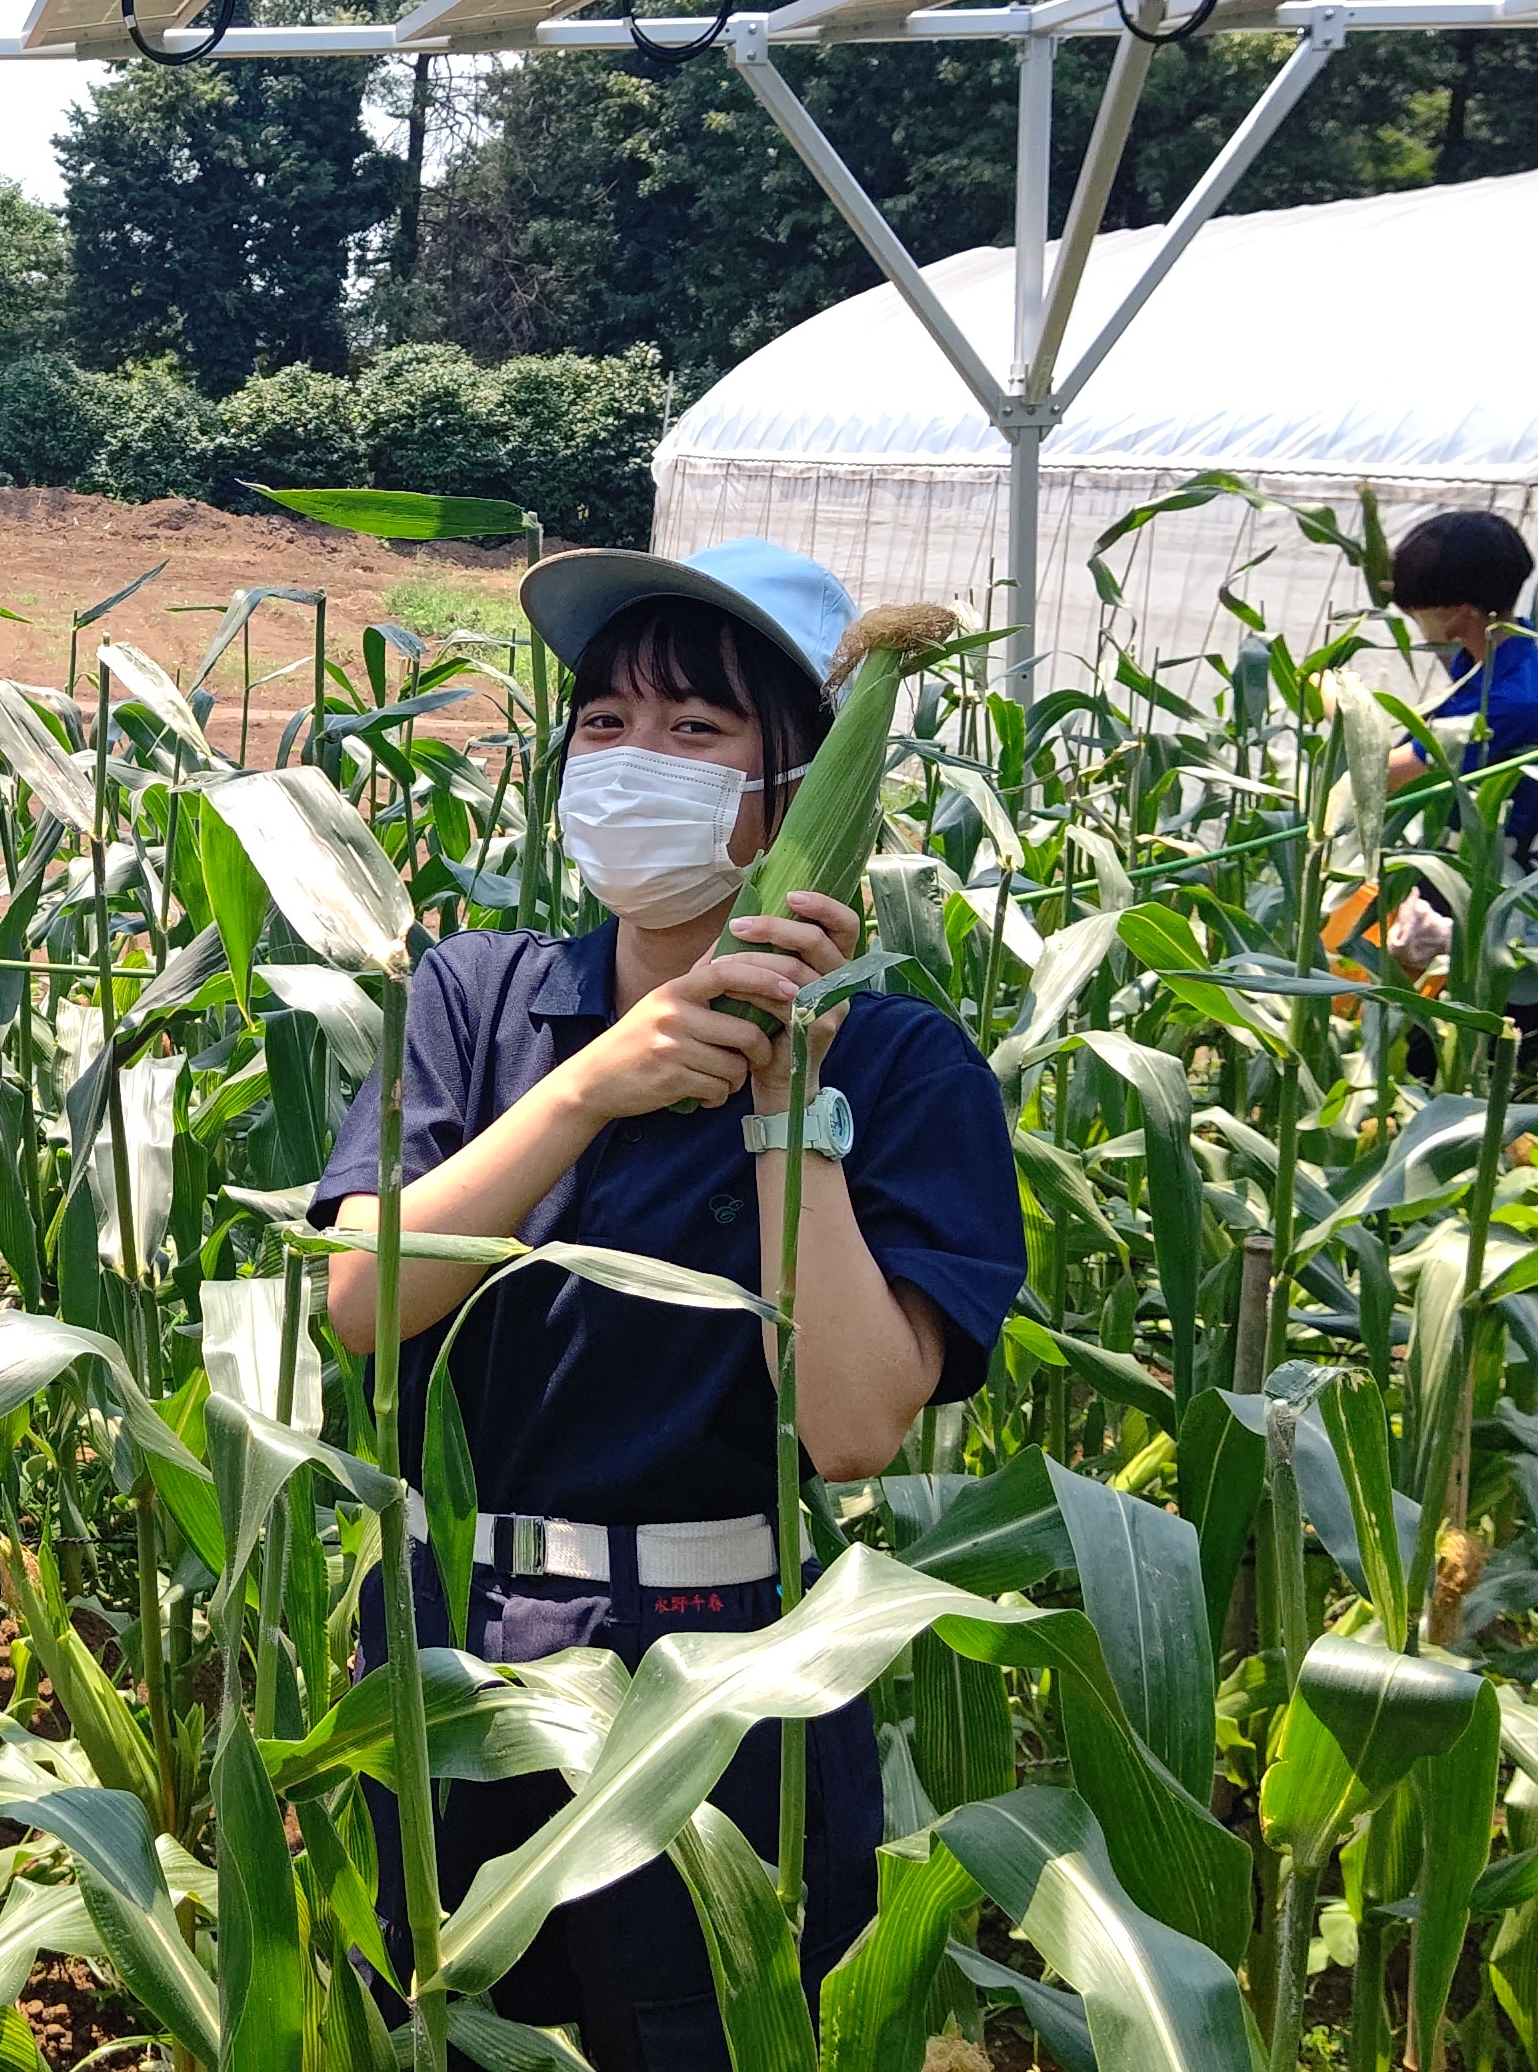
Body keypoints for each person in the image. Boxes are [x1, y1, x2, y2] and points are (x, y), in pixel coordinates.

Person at [313, 538, 1023, 2067]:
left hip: (726, 1673)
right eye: (607, 723)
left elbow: (845, 1428)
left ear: (802, 785)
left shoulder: (904, 1070)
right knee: (438, 2020)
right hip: (454, 1655)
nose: (636, 762)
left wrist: (789, 1096)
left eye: (697, 731)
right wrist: (591, 1083)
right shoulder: (479, 995)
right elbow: (365, 1300)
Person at [1380, 511, 1538, 989]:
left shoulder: (1515, 698)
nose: (1411, 621)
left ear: (1456, 610)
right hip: (1453, 872)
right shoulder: (1484, 659)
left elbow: (1387, 775)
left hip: (1496, 888)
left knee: (1487, 1041)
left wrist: (1335, 706)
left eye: (1415, 609)